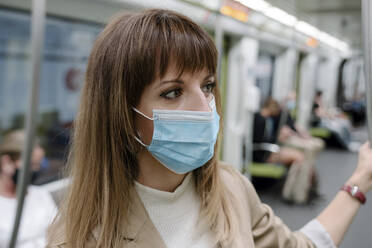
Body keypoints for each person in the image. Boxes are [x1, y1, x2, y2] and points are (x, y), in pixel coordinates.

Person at [47, 9, 372, 248]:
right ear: (121, 113)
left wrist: (359, 181)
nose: (206, 108)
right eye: (172, 92)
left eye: (207, 86)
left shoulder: (231, 188)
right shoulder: (79, 237)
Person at [0, 130, 57, 247]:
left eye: (38, 165)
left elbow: (59, 232)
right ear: (6, 162)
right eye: (31, 164)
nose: (35, 170)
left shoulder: (41, 195)